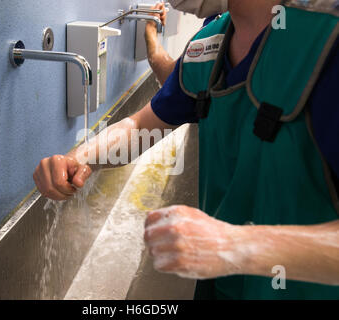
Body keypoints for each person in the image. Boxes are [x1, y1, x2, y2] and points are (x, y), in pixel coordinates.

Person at [33, 0, 339, 299]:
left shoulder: (325, 44)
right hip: (225, 284)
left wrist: (235, 246)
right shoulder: (209, 45)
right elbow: (142, 126)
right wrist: (79, 158)